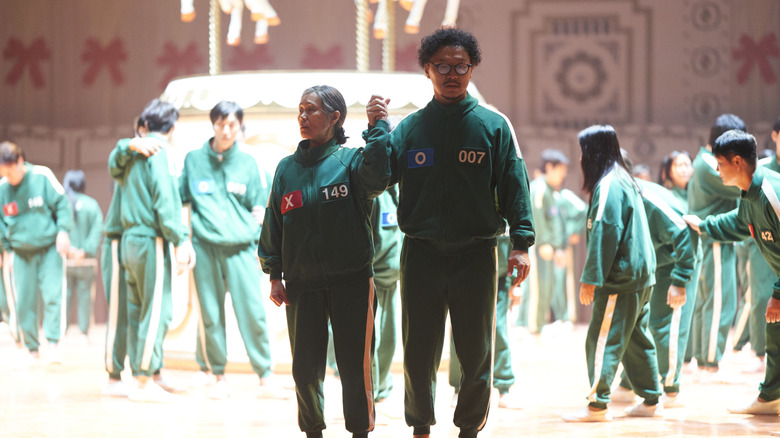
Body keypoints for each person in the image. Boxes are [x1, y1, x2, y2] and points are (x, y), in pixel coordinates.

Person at [386, 28, 534, 438]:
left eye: (461, 66)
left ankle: (469, 426)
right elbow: (377, 178)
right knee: (418, 350)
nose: (453, 74)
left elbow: (514, 185)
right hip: (420, 255)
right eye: (443, 66)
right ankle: (420, 425)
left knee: (475, 351)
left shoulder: (493, 127)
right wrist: (378, 131)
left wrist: (521, 244)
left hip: (476, 255)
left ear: (472, 69)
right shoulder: (409, 130)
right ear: (427, 70)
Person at [258, 85, 390, 438]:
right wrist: (274, 274)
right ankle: (312, 431)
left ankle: (360, 431)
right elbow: (274, 223)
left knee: (354, 367)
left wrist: (378, 128)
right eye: (300, 110)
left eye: (311, 110)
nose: (303, 116)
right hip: (302, 284)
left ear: (334, 117)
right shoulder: (286, 169)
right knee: (305, 369)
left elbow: (378, 179)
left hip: (352, 280)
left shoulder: (351, 161)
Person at [179, 100, 282, 400]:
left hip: (241, 250)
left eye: (232, 125)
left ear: (239, 126)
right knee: (209, 314)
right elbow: (182, 202)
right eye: (221, 124)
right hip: (205, 248)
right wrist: (184, 241)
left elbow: (261, 209)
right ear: (212, 124)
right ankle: (217, 375)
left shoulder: (250, 162)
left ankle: (265, 376)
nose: (226, 131)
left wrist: (261, 248)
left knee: (252, 312)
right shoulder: (193, 160)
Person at [562, 125, 661, 422]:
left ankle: (597, 404)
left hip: (621, 278)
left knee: (601, 339)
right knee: (635, 339)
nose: (580, 158)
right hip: (641, 276)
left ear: (592, 153)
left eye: (583, 151)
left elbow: (607, 232)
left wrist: (591, 277)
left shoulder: (608, 185)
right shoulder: (624, 179)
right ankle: (652, 399)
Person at [683, 129, 780, 415]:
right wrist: (703, 225)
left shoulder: (771, 194)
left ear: (737, 162)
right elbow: (738, 224)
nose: (716, 170)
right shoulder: (749, 196)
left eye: (720, 163)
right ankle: (771, 398)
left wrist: (778, 294)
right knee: (774, 332)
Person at [108, 99, 195, 402]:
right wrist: (181, 238)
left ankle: (142, 375)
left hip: (130, 240)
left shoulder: (133, 152)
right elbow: (166, 201)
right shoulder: (162, 153)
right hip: (151, 240)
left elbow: (113, 170)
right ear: (171, 127)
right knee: (158, 310)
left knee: (136, 310)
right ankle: (144, 380)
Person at [612, 152, 699, 409]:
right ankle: (630, 383)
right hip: (657, 263)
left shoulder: (646, 195)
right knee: (643, 324)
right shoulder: (620, 194)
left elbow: (685, 232)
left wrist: (681, 279)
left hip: (679, 261)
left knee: (668, 326)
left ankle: (670, 389)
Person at [0, 141, 72, 364]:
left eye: (11, 170)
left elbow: (62, 203)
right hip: (20, 253)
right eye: (3, 172)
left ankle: (52, 344)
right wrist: (6, 250)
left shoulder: (42, 176)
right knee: (23, 301)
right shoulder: (2, 189)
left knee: (53, 295)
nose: (8, 176)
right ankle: (31, 348)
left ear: (20, 162)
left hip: (49, 248)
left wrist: (63, 231)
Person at [687, 114, 745, 381]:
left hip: (709, 240)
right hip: (716, 240)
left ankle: (704, 362)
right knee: (720, 303)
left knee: (706, 303)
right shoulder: (712, 165)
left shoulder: (704, 161)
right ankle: (709, 363)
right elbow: (742, 186)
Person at [63, 169, 103, 341]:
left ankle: (60, 332)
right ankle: (83, 333)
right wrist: (84, 250)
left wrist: (69, 249)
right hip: (86, 261)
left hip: (66, 261)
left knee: (64, 296)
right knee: (86, 296)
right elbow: (97, 231)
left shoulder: (63, 203)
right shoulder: (92, 205)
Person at [371, 186, 401, 404]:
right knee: (373, 341)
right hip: (373, 280)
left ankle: (382, 390)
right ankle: (369, 395)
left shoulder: (399, 191)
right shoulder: (373, 194)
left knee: (388, 341)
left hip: (393, 279)